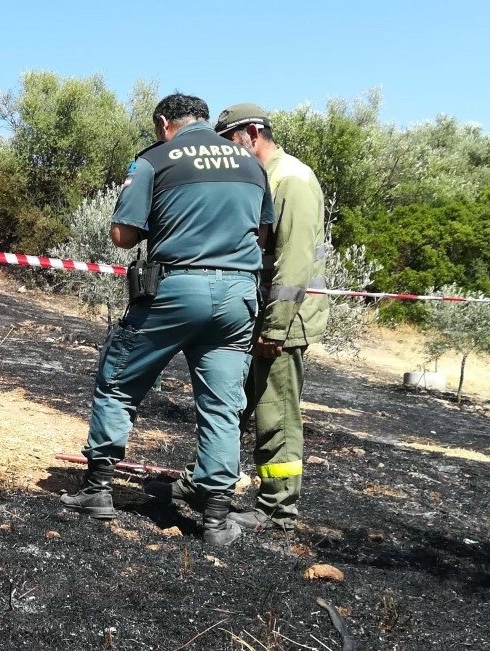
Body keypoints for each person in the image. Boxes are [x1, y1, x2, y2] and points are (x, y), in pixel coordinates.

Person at [60, 94, 275, 546]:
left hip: (174, 291)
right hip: (238, 297)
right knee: (222, 405)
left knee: (118, 382)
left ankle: (98, 489)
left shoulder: (155, 160)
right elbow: (262, 233)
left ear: (164, 123)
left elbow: (123, 236)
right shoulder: (251, 164)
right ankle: (215, 518)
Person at [216, 103, 328, 531]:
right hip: (259, 316)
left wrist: (276, 328)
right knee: (237, 404)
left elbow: (293, 265)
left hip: (283, 321)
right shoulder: (262, 178)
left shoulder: (293, 180)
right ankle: (209, 483)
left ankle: (277, 510)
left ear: (252, 132)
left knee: (276, 413)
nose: (226, 150)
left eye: (228, 140)